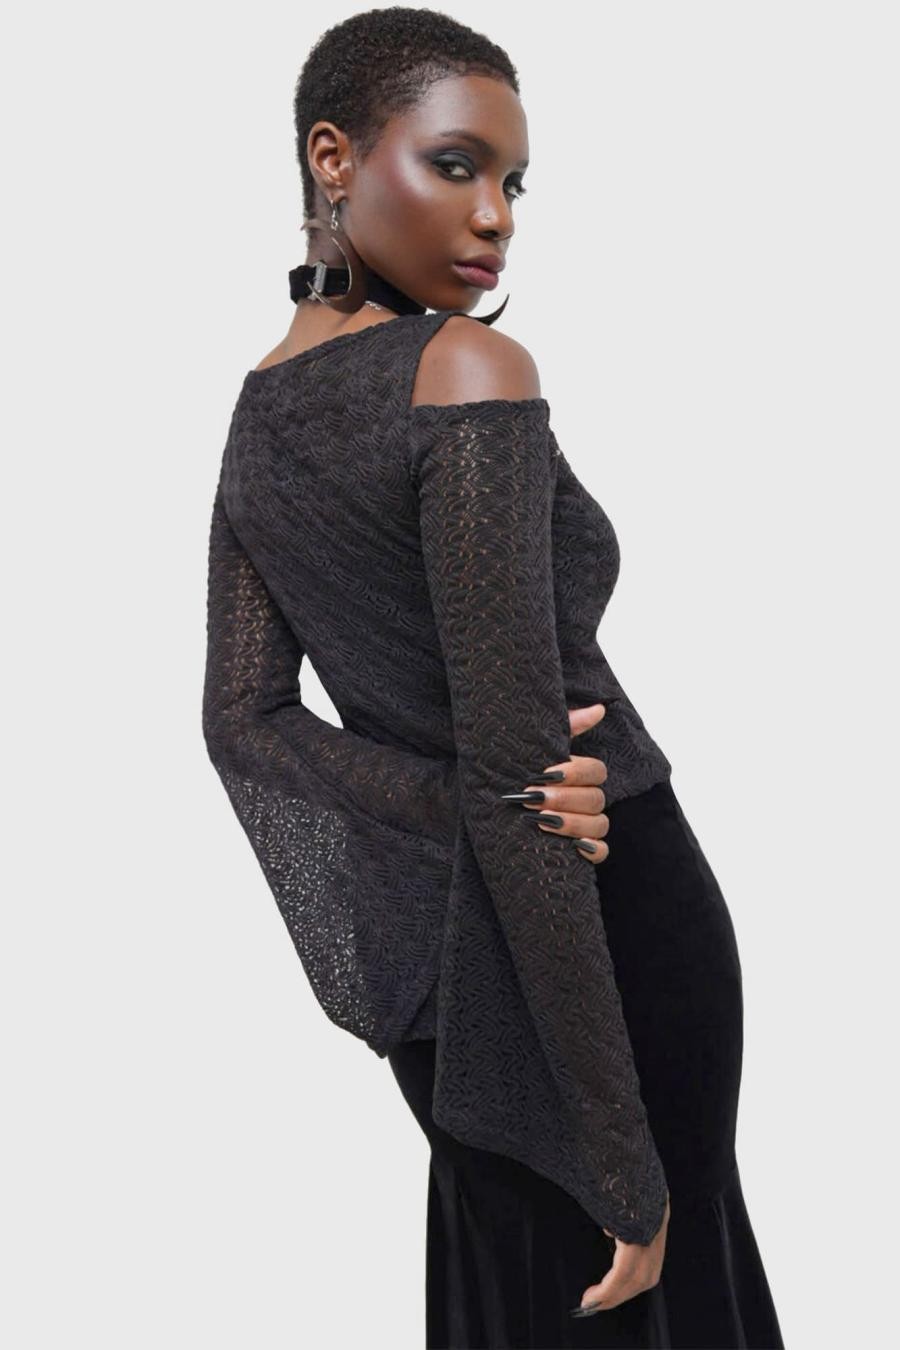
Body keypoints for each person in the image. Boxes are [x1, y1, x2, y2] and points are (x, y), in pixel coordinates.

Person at [202, 7, 784, 1348]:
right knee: (656, 1286)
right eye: (456, 165)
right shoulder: (468, 369)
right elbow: (522, 780)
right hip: (604, 917)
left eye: (513, 184)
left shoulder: (258, 414)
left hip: (434, 958)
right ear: (334, 157)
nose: (495, 216)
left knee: (514, 1282)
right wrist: (623, 1161)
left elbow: (244, 718)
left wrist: (443, 801)